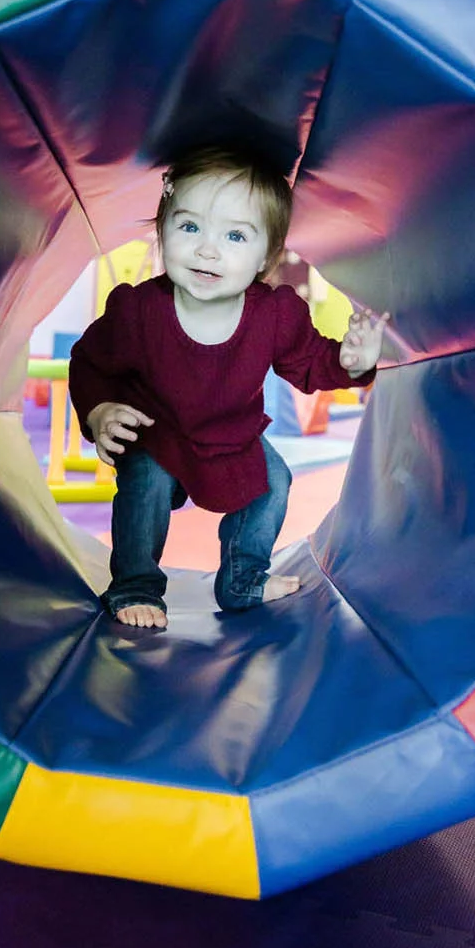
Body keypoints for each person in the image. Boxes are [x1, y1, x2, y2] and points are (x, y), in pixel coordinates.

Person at [68, 147, 384, 629]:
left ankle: (243, 580)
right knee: (145, 484)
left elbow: (308, 364)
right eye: (189, 226)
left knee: (274, 482)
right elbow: (90, 361)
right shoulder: (138, 311)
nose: (207, 249)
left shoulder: (275, 314)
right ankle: (135, 586)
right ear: (162, 229)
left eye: (235, 235)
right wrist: (99, 411)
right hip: (158, 433)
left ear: (266, 256)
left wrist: (349, 360)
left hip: (232, 437)